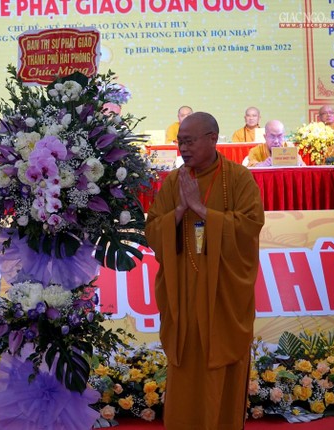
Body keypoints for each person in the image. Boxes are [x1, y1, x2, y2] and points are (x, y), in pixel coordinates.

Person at [145, 112, 265, 429]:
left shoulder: (238, 178)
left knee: (220, 371)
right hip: (184, 291)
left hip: (222, 294)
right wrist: (180, 209)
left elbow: (250, 226)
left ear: (212, 139)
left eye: (189, 141)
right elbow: (153, 230)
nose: (183, 149)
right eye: (180, 142)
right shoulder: (175, 181)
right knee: (186, 367)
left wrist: (201, 209)